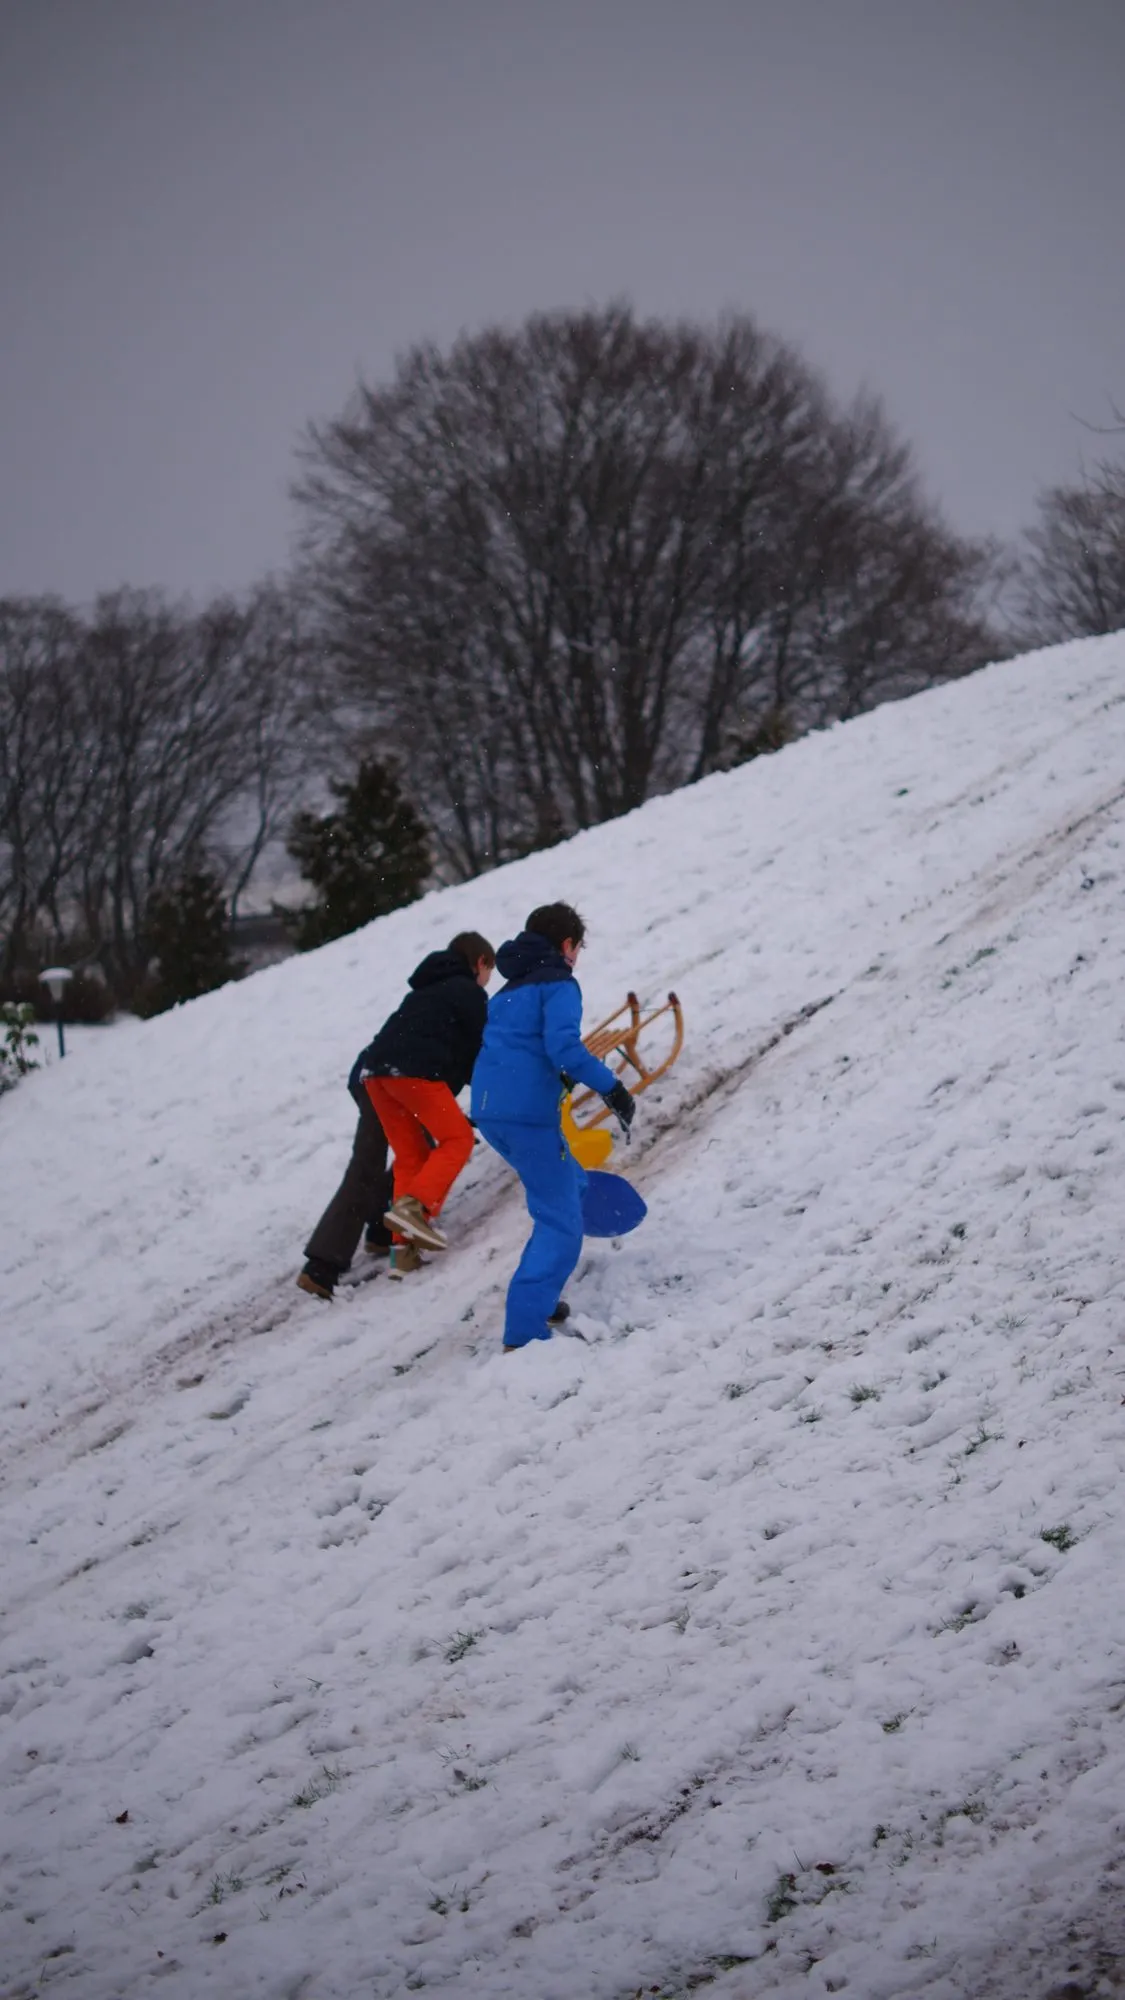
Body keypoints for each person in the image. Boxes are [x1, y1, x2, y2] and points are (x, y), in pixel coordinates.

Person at [471, 903, 634, 1350]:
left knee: (568, 1186)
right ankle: (524, 1331)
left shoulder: (507, 990)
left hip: (491, 1112)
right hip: (527, 1117)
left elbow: (520, 1047)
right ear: (567, 945)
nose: (577, 956)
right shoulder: (559, 984)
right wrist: (612, 1087)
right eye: (578, 947)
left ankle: (540, 1297)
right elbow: (563, 1046)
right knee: (559, 1221)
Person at [298, 930, 494, 1300]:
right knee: (457, 1140)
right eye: (489, 972)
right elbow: (479, 1051)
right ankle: (411, 1213)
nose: (488, 981)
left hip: (375, 1075)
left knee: (412, 1156)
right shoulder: (467, 991)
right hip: (410, 1075)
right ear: (481, 963)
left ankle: (401, 1249)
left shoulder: (425, 989)